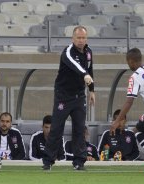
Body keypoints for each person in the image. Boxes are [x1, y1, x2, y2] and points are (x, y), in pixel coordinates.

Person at [42, 26, 95, 170]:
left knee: (79, 129)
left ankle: (79, 162)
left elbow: (90, 70)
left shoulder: (89, 53)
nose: (81, 40)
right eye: (78, 38)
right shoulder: (67, 52)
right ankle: (48, 161)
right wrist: (85, 74)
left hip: (79, 96)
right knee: (56, 128)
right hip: (63, 96)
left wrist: (92, 90)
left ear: (86, 38)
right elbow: (75, 65)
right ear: (73, 38)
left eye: (83, 38)